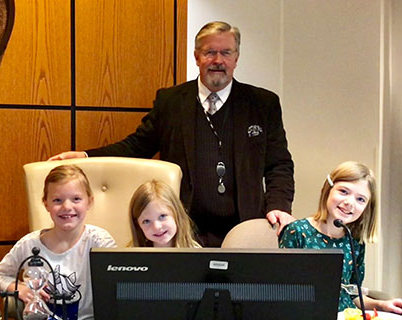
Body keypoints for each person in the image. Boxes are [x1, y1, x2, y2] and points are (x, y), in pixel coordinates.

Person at [49, 21, 295, 246]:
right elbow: (136, 146)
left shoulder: (263, 104)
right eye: (210, 52)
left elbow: (279, 164)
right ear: (197, 57)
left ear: (236, 58)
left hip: (243, 229)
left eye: (226, 52)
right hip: (182, 230)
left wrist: (279, 206)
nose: (218, 60)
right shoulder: (171, 101)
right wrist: (85, 156)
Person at [0, 165, 116, 320]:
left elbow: (119, 281)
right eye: (57, 200)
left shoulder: (100, 241)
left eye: (76, 199)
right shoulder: (29, 244)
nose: (67, 207)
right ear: (46, 204)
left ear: (89, 202)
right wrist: (20, 288)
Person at [279, 161, 402, 314]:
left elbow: (352, 296)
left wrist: (383, 305)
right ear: (327, 190)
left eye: (360, 199)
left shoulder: (355, 241)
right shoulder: (297, 231)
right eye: (343, 191)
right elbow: (283, 293)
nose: (349, 203)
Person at [129, 180, 200, 248]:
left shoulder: (196, 254)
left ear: (177, 214)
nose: (156, 227)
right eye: (146, 221)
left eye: (162, 216)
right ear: (138, 225)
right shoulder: (130, 256)